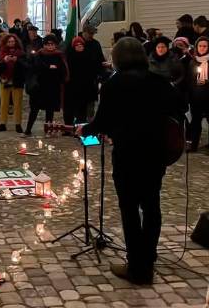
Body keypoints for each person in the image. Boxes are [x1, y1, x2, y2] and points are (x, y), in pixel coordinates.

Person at [78, 37, 185, 285]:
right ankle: (149, 255)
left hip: (128, 153)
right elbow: (180, 105)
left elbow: (102, 122)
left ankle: (138, 268)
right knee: (151, 206)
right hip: (156, 153)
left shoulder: (114, 84)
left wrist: (85, 130)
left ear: (117, 58)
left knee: (129, 209)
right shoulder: (158, 81)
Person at [25, 34, 67, 136]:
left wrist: (53, 69)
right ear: (44, 45)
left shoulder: (59, 55)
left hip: (53, 86)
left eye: (52, 44)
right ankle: (28, 129)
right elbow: (36, 68)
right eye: (48, 44)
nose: (50, 46)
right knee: (34, 109)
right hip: (39, 86)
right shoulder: (39, 55)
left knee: (50, 110)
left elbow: (63, 70)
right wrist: (49, 68)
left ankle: (48, 130)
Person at [188, 36, 209, 155]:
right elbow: (190, 79)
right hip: (196, 96)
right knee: (196, 121)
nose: (202, 48)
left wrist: (206, 81)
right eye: (200, 46)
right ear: (196, 47)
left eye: (205, 46)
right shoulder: (193, 61)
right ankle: (194, 144)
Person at [0, 34, 27, 132]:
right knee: (4, 103)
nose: (11, 43)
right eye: (9, 42)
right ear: (5, 42)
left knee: (17, 103)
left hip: (17, 80)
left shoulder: (21, 53)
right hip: (4, 80)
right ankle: (3, 123)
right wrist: (4, 61)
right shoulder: (0, 53)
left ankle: (18, 123)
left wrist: (17, 61)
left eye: (13, 41)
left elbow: (26, 66)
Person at [64, 36, 99, 126]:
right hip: (72, 88)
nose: (79, 46)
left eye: (81, 45)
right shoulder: (70, 57)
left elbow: (93, 71)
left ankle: (81, 126)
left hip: (85, 88)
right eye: (77, 45)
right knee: (71, 108)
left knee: (82, 110)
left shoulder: (88, 56)